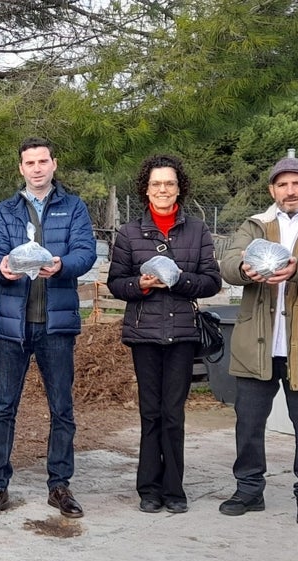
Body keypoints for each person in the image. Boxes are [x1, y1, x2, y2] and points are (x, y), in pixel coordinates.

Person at [218, 156, 298, 526]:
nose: (290, 191)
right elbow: (228, 261)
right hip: (256, 343)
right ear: (272, 190)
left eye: (297, 184)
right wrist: (243, 269)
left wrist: (297, 268)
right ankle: (248, 488)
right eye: (283, 185)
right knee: (248, 421)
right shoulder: (255, 225)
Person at [0, 138, 97, 518]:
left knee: (61, 407)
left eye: (43, 161)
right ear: (21, 169)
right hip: (13, 326)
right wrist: (3, 269)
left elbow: (86, 252)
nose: (37, 168)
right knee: (3, 407)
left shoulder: (73, 206)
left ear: (54, 164)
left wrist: (62, 265)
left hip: (57, 325)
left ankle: (59, 485)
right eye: (29, 162)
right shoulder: (6, 210)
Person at [106, 154, 222, 513]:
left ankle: (174, 489)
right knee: (150, 412)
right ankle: (148, 488)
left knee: (174, 413)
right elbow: (115, 283)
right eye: (156, 184)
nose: (162, 189)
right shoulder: (129, 233)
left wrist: (180, 280)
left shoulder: (197, 230)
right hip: (145, 333)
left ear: (179, 188)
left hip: (183, 334)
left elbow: (211, 281)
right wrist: (139, 284)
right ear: (146, 189)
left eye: (169, 183)